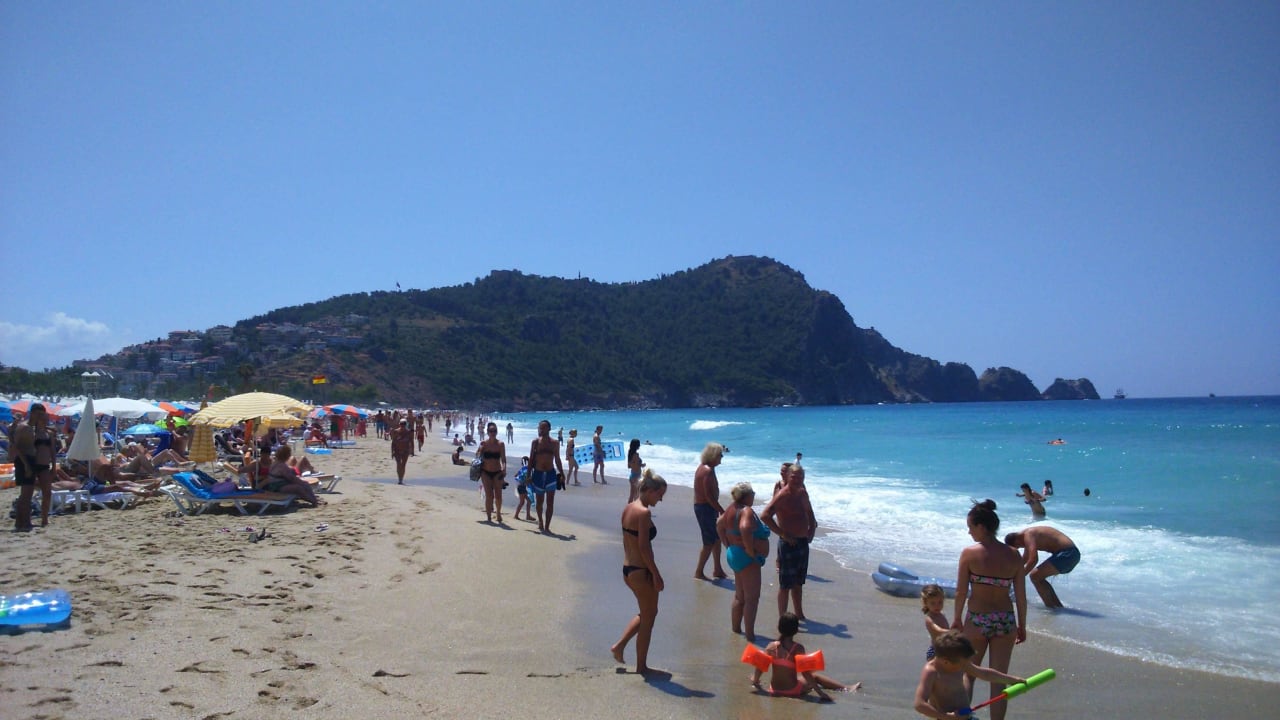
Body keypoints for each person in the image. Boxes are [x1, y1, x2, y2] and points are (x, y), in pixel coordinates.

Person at [953, 500, 1026, 720]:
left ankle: (962, 718)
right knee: (999, 680)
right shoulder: (1014, 555)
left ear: (982, 526)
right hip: (1005, 620)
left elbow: (961, 592)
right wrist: (1022, 625)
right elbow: (1021, 597)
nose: (969, 532)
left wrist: (957, 618)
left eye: (971, 527)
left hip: (977, 619)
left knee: (968, 674)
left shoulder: (969, 553)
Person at [611, 468, 667, 675]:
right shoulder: (643, 512)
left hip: (628, 569)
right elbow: (644, 547)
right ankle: (641, 666)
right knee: (649, 619)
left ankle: (619, 646)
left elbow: (629, 542)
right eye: (659, 495)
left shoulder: (629, 507)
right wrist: (656, 574)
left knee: (647, 613)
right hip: (641, 571)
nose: (660, 499)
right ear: (650, 491)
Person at [913, 629, 1024, 720]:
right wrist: (948, 717)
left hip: (966, 716)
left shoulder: (959, 661)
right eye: (963, 664)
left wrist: (1011, 680)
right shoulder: (931, 672)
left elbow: (983, 673)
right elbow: (919, 704)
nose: (966, 666)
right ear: (946, 662)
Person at [750, 612, 861, 700]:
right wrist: (821, 693)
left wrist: (755, 681)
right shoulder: (797, 648)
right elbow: (806, 673)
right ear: (796, 630)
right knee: (815, 676)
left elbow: (760, 667)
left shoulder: (771, 646)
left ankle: (844, 687)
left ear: (778, 627)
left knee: (800, 678)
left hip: (774, 689)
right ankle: (847, 688)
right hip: (792, 690)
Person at [761, 462, 818, 620]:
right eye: (794, 477)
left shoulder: (802, 493)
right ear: (787, 476)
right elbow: (765, 516)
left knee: (799, 583)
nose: (797, 479)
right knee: (785, 585)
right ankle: (783, 618)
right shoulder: (782, 495)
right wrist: (783, 534)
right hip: (788, 544)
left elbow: (810, 512)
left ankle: (799, 613)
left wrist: (812, 529)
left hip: (802, 542)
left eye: (801, 477)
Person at [719, 482, 770, 641]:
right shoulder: (746, 511)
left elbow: (719, 524)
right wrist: (750, 550)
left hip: (734, 554)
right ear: (746, 496)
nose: (754, 496)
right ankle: (750, 635)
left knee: (740, 596)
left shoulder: (731, 508)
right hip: (746, 558)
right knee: (751, 599)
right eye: (752, 493)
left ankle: (736, 629)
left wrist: (726, 543)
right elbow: (745, 528)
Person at [1004, 525, 1080, 609]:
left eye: (1019, 546)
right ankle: (1058, 607)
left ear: (1017, 540)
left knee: (1035, 576)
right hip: (1070, 554)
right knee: (1039, 578)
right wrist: (1013, 572)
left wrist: (1020, 576)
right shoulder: (1027, 536)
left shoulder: (1028, 534)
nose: (1021, 547)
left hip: (1068, 554)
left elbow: (1033, 559)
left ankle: (1051, 609)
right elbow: (1025, 558)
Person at [10, 403, 58, 530]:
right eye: (39, 414)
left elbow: (52, 450)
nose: (41, 417)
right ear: (32, 413)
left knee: (40, 493)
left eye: (42, 414)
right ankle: (22, 522)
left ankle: (35, 520)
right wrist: (26, 465)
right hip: (29, 462)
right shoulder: (27, 428)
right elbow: (17, 446)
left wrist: (53, 466)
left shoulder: (42, 430)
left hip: (38, 463)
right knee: (26, 494)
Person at [693, 442, 728, 580]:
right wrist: (721, 510)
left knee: (717, 538)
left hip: (708, 507)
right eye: (720, 455)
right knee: (708, 542)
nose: (721, 457)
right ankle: (699, 572)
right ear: (713, 455)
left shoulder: (708, 468)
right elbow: (708, 496)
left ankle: (717, 569)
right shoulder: (706, 470)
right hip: (705, 508)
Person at [527, 419, 565, 534]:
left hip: (550, 474)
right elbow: (531, 459)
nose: (542, 430)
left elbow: (557, 459)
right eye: (540, 427)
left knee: (550, 502)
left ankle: (547, 526)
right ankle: (540, 521)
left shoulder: (555, 443)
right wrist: (528, 475)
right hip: (538, 474)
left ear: (549, 429)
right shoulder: (535, 442)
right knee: (539, 502)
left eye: (544, 427)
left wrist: (562, 473)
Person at [477, 422, 507, 524]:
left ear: (496, 432)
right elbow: (477, 457)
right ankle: (489, 517)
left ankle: (498, 513)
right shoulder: (484, 443)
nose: (492, 433)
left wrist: (504, 468)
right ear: (487, 432)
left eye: (494, 431)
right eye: (490, 431)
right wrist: (480, 449)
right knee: (489, 495)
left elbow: (503, 459)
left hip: (497, 472)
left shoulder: (500, 444)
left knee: (498, 495)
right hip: (485, 472)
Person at [921, 584, 950, 660]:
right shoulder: (929, 619)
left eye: (940, 602)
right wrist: (954, 632)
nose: (937, 606)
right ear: (926, 603)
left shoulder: (942, 615)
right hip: (935, 650)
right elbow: (938, 630)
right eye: (933, 603)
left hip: (945, 648)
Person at [511, 456, 535, 521]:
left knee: (528, 501)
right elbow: (528, 480)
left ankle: (527, 516)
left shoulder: (523, 468)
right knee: (522, 502)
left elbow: (516, 475)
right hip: (521, 486)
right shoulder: (528, 470)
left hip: (520, 486)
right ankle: (516, 515)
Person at [390, 419, 414, 484]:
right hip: (397, 450)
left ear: (406, 425)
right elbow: (393, 442)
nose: (402, 425)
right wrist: (392, 452)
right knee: (398, 464)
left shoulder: (409, 432)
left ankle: (401, 479)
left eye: (404, 424)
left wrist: (412, 451)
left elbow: (411, 441)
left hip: (406, 450)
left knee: (403, 465)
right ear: (399, 424)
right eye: (401, 424)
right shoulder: (396, 431)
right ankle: (399, 479)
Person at [626, 438, 643, 503]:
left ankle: (629, 508)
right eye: (639, 444)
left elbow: (629, 466)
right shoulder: (636, 455)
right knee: (636, 495)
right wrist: (641, 465)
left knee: (632, 495)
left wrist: (638, 464)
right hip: (636, 476)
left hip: (632, 475)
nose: (639, 446)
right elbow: (637, 465)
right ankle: (635, 508)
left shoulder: (630, 453)